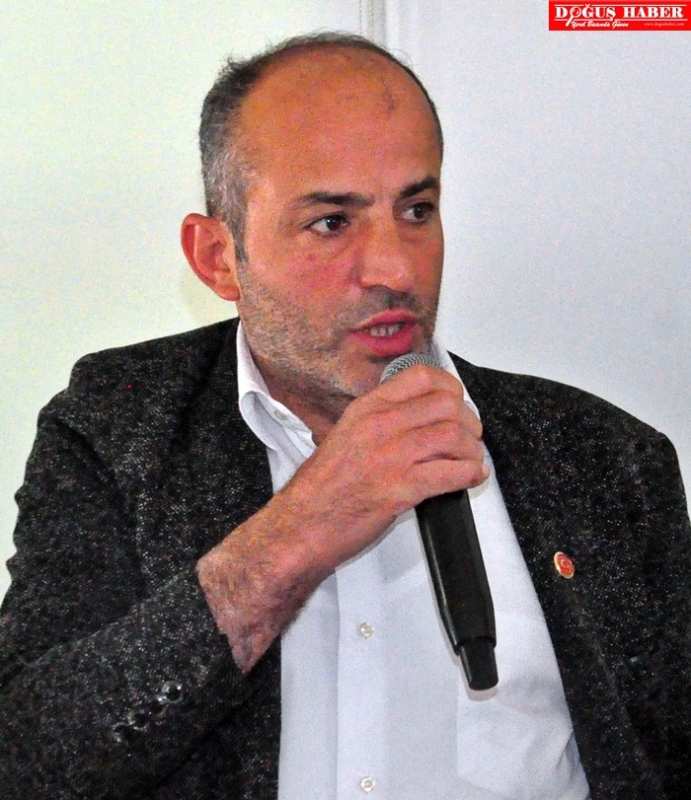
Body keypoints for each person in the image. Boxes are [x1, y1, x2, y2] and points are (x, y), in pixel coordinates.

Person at [0, 32, 689, 800]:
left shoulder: (602, 460)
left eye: (416, 209)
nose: (394, 268)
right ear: (218, 257)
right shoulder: (118, 426)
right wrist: (293, 535)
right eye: (332, 221)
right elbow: (27, 758)